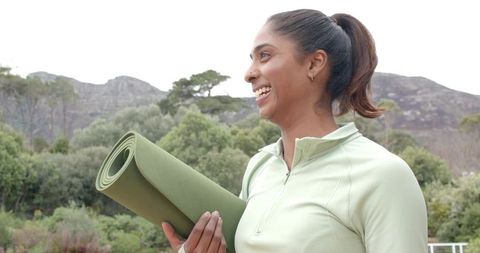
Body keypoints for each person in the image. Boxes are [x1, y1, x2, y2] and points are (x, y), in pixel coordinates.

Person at [162, 9, 428, 253]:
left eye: (264, 55)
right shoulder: (260, 167)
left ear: (314, 64)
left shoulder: (383, 175)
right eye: (252, 59)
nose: (249, 74)